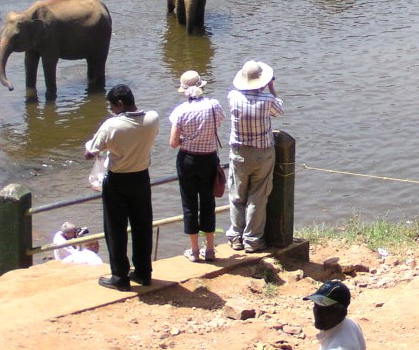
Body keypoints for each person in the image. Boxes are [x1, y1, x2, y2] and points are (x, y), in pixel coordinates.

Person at [84, 84, 160, 291]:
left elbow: (90, 153)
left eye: (112, 107)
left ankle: (119, 276)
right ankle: (143, 272)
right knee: (142, 226)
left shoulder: (112, 126)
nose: (112, 111)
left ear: (119, 104)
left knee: (115, 229)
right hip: (141, 178)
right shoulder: (152, 118)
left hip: (117, 181)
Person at [226, 60, 283, 253]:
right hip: (262, 153)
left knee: (236, 195)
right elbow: (280, 111)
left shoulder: (233, 96)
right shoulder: (268, 100)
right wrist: (272, 88)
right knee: (258, 197)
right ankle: (252, 239)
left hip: (239, 152)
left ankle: (236, 236)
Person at [169, 70, 224, 263]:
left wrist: (187, 139)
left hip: (188, 160)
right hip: (209, 159)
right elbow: (217, 125)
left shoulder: (180, 111)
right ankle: (210, 249)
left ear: (184, 90)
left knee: (189, 203)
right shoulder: (214, 105)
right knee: (208, 202)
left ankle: (194, 250)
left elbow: (173, 143)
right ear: (201, 86)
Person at [304, 280, 366, 350]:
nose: (317, 311)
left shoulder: (339, 346)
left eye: (325, 309)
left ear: (342, 311)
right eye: (316, 305)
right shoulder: (351, 325)